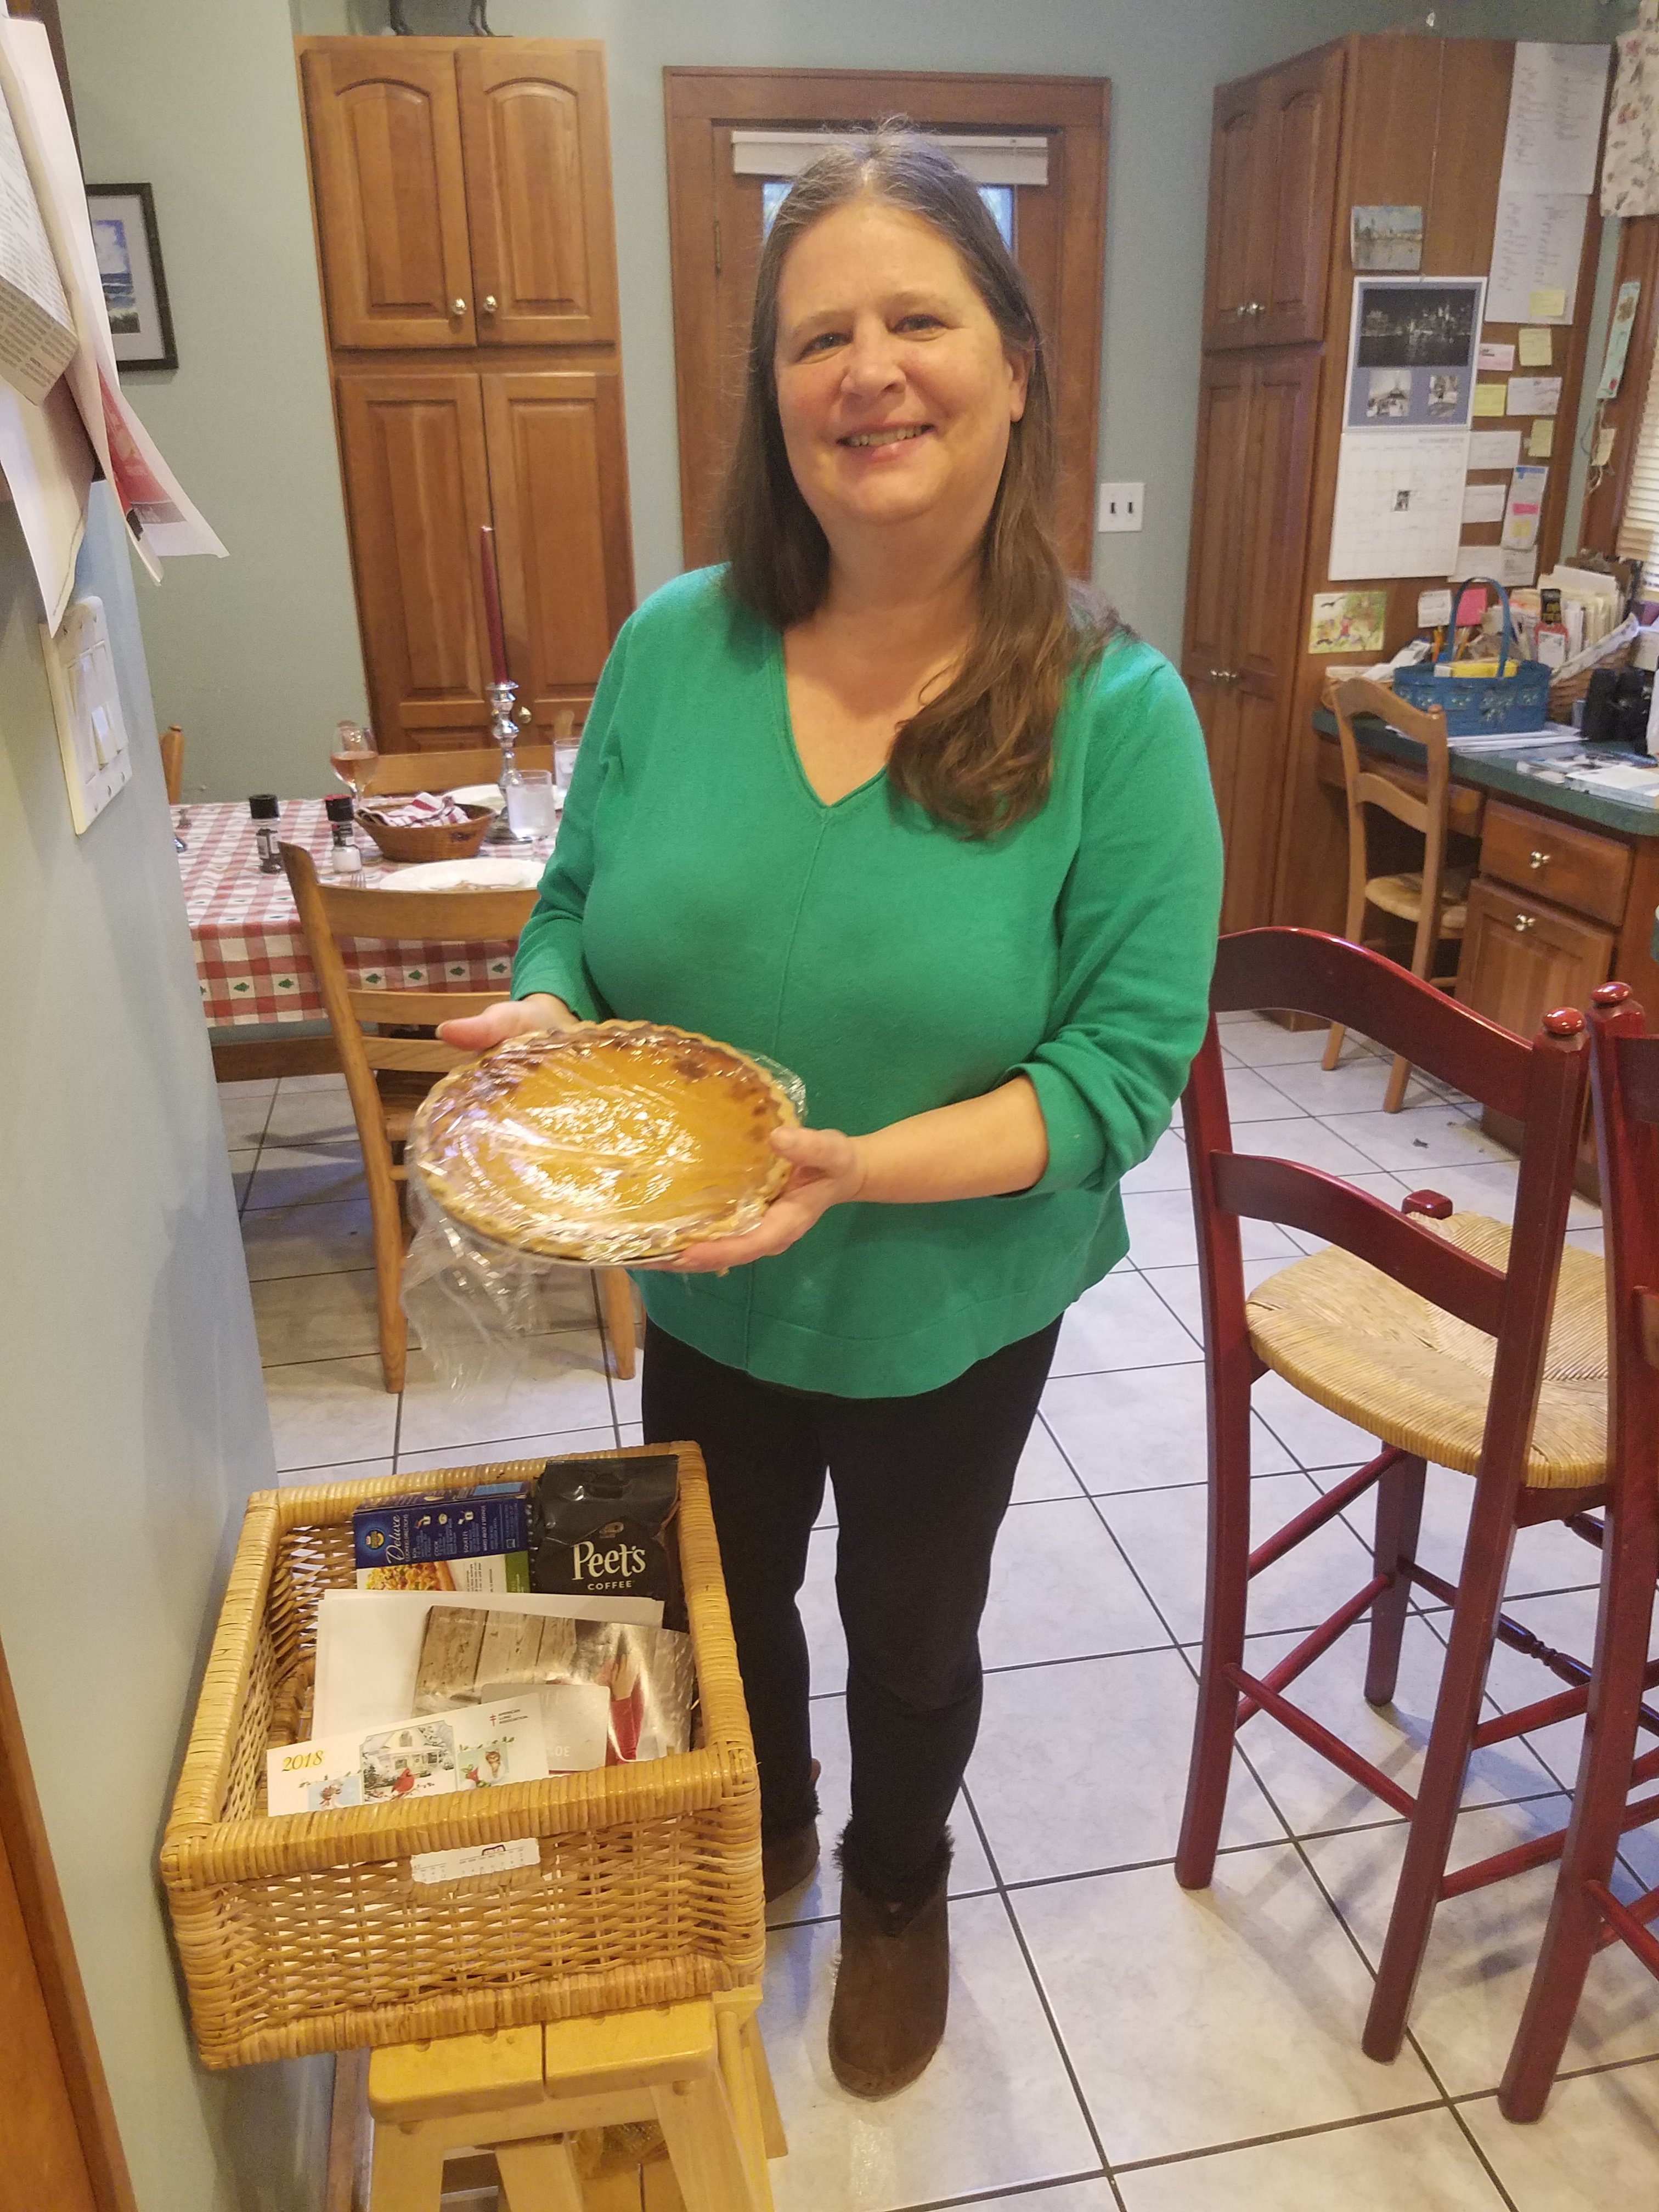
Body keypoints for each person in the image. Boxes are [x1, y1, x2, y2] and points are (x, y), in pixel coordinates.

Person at [440, 128, 1222, 2098]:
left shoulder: (1117, 716)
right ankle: (773, 1821)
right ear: (773, 394)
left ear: (1014, 365)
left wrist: (862, 1169)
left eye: (917, 322)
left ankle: (894, 1885)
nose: (868, 372)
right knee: (726, 1593)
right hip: (706, 1274)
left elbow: (1119, 1075)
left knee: (913, 1623)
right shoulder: (671, 647)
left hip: (947, 1295)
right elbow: (572, 909)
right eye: (817, 339)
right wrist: (547, 1014)